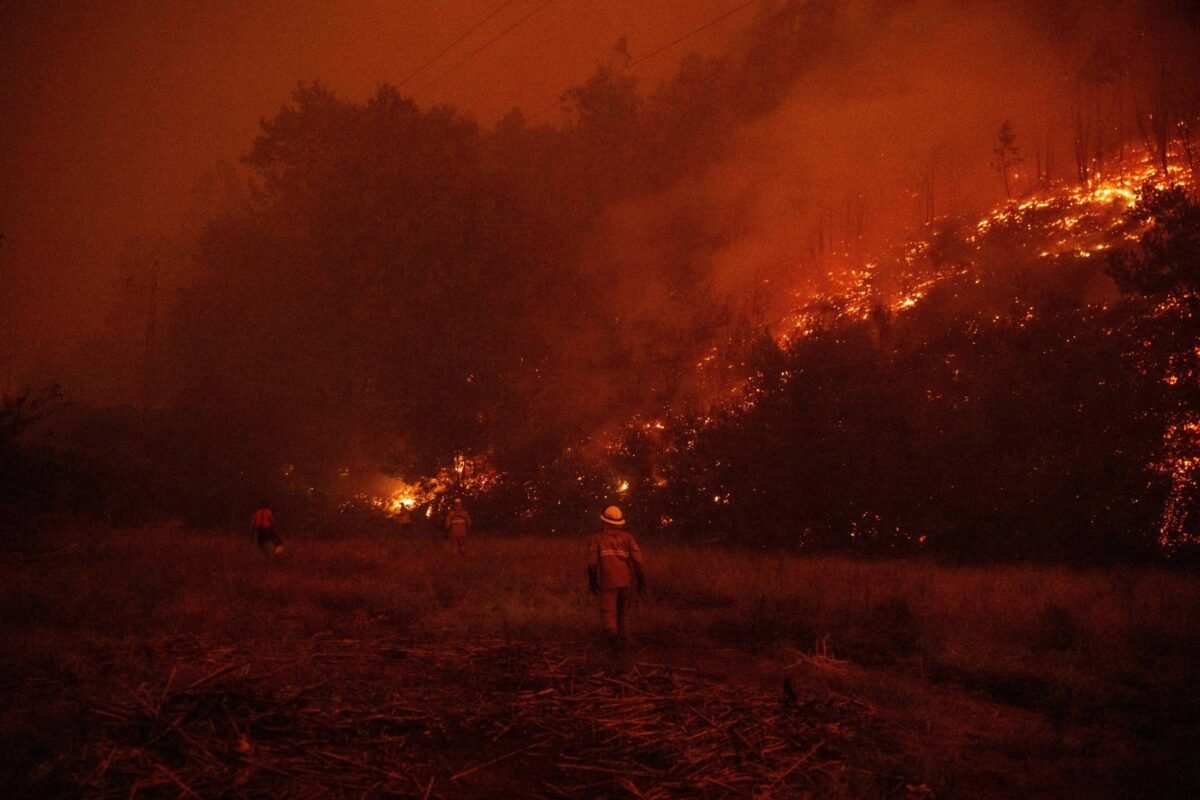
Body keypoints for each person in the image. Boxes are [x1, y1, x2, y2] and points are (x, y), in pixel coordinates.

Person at [587, 505, 646, 654]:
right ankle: (624, 643)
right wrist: (641, 582)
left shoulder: (597, 539)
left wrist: (592, 582)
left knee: (608, 613)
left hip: (607, 581)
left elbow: (592, 563)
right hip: (626, 581)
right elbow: (638, 562)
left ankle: (614, 645)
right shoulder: (628, 538)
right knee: (622, 613)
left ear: (604, 522)